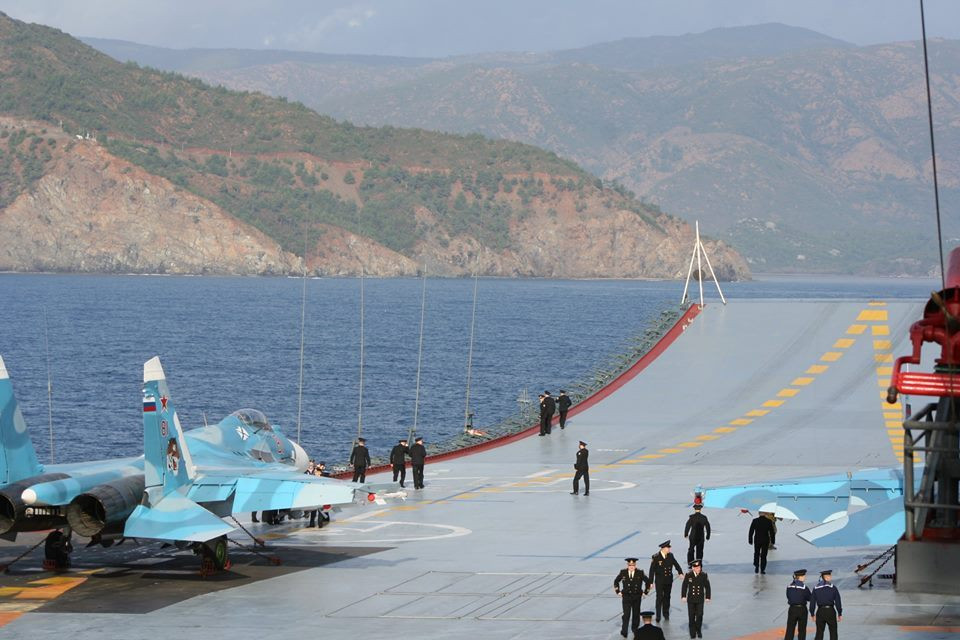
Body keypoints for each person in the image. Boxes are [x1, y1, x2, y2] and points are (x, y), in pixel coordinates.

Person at [614, 557, 652, 638]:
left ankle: (635, 630)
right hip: (626, 597)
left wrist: (645, 592)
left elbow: (648, 582)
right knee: (626, 615)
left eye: (633, 565)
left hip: (636, 597)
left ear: (635, 565)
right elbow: (616, 581)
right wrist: (618, 591)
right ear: (627, 565)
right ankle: (624, 631)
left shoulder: (640, 572)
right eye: (630, 565)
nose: (631, 567)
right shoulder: (623, 572)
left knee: (636, 614)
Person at [649, 540, 684, 622]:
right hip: (660, 581)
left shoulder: (670, 556)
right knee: (659, 597)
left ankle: (666, 613)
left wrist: (680, 572)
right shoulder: (656, 557)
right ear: (663, 548)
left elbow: (676, 564)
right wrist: (650, 582)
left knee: (667, 597)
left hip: (668, 580)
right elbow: (652, 570)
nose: (669, 549)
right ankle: (658, 615)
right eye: (668, 548)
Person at [681, 559, 710, 639]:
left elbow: (707, 587)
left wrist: (707, 597)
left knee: (700, 615)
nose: (698, 569)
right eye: (696, 567)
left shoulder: (704, 575)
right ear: (693, 568)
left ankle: (698, 630)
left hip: (700, 599)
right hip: (691, 599)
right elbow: (684, 586)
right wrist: (683, 596)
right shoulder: (688, 575)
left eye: (699, 567)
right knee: (691, 616)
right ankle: (692, 632)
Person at [810, 570, 842, 640]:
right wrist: (839, 613)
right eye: (830, 576)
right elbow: (838, 602)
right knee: (833, 632)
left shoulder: (815, 588)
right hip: (830, 611)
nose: (831, 577)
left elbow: (812, 602)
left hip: (820, 612)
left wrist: (812, 614)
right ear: (826, 577)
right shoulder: (833, 588)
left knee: (819, 632)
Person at [785, 569, 811, 640]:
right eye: (804, 576)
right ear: (800, 577)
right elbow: (810, 598)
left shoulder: (789, 587)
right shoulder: (804, 588)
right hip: (802, 610)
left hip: (792, 609)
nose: (805, 577)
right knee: (802, 630)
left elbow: (788, 596)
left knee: (790, 629)